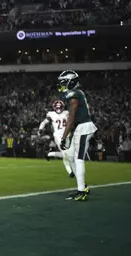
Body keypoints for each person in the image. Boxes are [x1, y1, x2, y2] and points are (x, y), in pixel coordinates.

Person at [58, 70, 96, 201]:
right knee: (69, 156)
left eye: (63, 82)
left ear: (70, 82)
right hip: (81, 127)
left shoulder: (74, 94)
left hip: (84, 127)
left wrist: (64, 136)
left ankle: (82, 191)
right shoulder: (76, 93)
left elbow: (72, 118)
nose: (61, 85)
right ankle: (82, 186)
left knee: (79, 159)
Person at [38, 100, 74, 177]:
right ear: (54, 107)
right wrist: (40, 129)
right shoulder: (51, 114)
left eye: (60, 107)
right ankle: (70, 172)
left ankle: (49, 154)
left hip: (67, 136)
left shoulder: (66, 113)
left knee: (68, 154)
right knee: (65, 154)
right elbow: (44, 122)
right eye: (57, 107)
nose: (58, 109)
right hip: (58, 136)